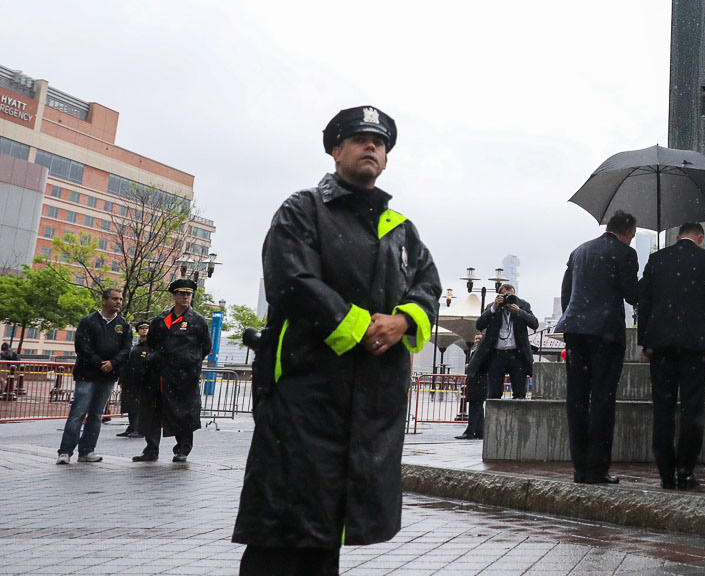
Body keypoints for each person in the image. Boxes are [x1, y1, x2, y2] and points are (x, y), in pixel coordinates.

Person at [233, 105, 441, 576]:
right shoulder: (302, 209)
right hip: (307, 395)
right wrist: (361, 326)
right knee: (284, 526)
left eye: (380, 142)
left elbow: (428, 286)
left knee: (329, 525)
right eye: (360, 138)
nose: (372, 146)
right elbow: (292, 279)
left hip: (369, 403)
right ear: (335, 149)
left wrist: (405, 321)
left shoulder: (402, 230)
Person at [554, 210, 640, 484]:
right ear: (627, 232)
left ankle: (580, 468)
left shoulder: (580, 251)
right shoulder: (625, 253)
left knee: (577, 399)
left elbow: (567, 292)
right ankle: (598, 468)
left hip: (576, 331)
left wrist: (575, 319)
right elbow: (632, 294)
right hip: (606, 334)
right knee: (603, 399)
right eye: (633, 236)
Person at [638, 221, 705, 489]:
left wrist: (645, 344)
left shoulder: (657, 259)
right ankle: (686, 470)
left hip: (661, 344)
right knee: (691, 408)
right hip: (694, 345)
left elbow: (645, 301)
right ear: (700, 237)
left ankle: (665, 470)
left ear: (677, 236)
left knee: (662, 409)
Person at [133, 278, 212, 463]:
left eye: (189, 294)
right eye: (182, 294)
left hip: (184, 375)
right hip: (159, 373)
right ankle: (151, 449)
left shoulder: (197, 321)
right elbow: (152, 343)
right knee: (153, 411)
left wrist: (190, 361)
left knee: (183, 413)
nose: (185, 297)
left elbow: (205, 346)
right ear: (174, 295)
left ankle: (182, 449)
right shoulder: (161, 319)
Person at [56, 287, 131, 464]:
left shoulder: (123, 324)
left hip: (108, 376)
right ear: (104, 300)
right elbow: (82, 347)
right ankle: (65, 451)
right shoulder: (88, 321)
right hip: (87, 375)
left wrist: (113, 363)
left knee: (97, 414)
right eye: (115, 299)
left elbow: (127, 349)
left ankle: (87, 451)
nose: (119, 302)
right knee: (78, 413)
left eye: (120, 299)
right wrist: (99, 363)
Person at [478, 284, 538, 402]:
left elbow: (534, 324)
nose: (508, 299)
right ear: (499, 296)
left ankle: (518, 417)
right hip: (497, 354)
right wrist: (494, 307)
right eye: (505, 296)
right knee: (494, 393)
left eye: (511, 296)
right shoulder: (493, 307)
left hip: (517, 354)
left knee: (520, 393)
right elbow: (479, 325)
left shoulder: (522, 306)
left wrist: (519, 312)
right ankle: (494, 418)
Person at [116, 320, 151, 438]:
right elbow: (128, 363)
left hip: (143, 380)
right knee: (130, 404)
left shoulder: (152, 346)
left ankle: (139, 428)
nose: (144, 329)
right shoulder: (135, 346)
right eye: (142, 328)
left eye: (147, 327)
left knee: (140, 405)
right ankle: (132, 426)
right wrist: (122, 379)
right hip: (131, 380)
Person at [455, 329, 488, 440]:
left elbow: (483, 366)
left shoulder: (483, 351)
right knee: (478, 408)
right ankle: (480, 431)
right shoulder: (477, 351)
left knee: (474, 408)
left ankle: (470, 431)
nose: (477, 341)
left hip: (479, 382)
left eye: (479, 339)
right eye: (476, 339)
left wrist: (471, 367)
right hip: (477, 383)